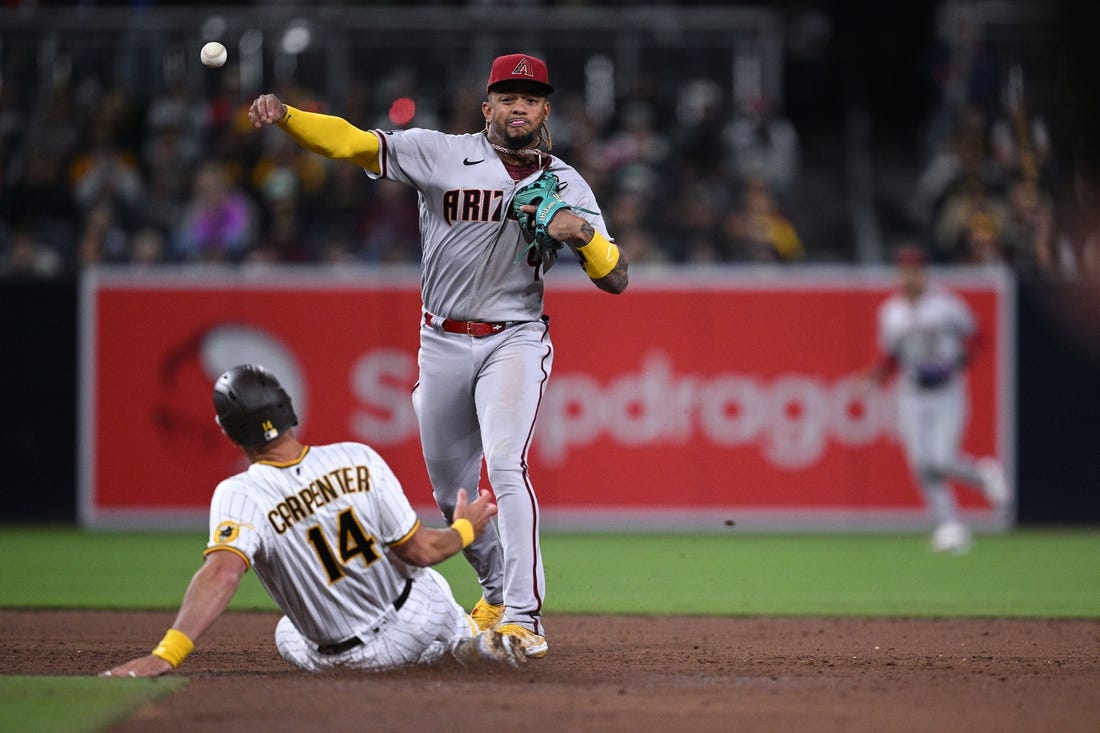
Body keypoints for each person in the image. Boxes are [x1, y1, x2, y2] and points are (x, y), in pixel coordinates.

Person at [247, 53, 629, 658]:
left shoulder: (567, 182)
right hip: (441, 340)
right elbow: (351, 145)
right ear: (488, 108)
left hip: (515, 336)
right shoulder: (441, 153)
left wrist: (581, 235)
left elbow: (617, 278)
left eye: (530, 96)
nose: (519, 105)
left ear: (545, 109)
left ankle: (525, 618)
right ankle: (498, 592)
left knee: (506, 466)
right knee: (452, 494)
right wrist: (289, 116)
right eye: (507, 96)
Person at [101, 364, 525, 677]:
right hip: (422, 614)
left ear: (230, 433)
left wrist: (166, 654)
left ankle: (444, 650)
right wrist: (465, 528)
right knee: (416, 572)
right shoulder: (357, 458)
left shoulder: (240, 494)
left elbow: (223, 574)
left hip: (355, 660)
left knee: (288, 632)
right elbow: (423, 551)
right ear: (287, 410)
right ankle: (463, 641)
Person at [865, 246, 1010, 553]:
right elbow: (893, 357)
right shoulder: (890, 312)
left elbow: (978, 338)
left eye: (915, 270)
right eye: (905, 270)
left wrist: (958, 362)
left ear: (924, 273)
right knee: (922, 464)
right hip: (912, 393)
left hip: (947, 390)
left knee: (942, 459)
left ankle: (983, 475)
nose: (909, 276)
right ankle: (949, 525)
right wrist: (874, 378)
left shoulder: (945, 305)